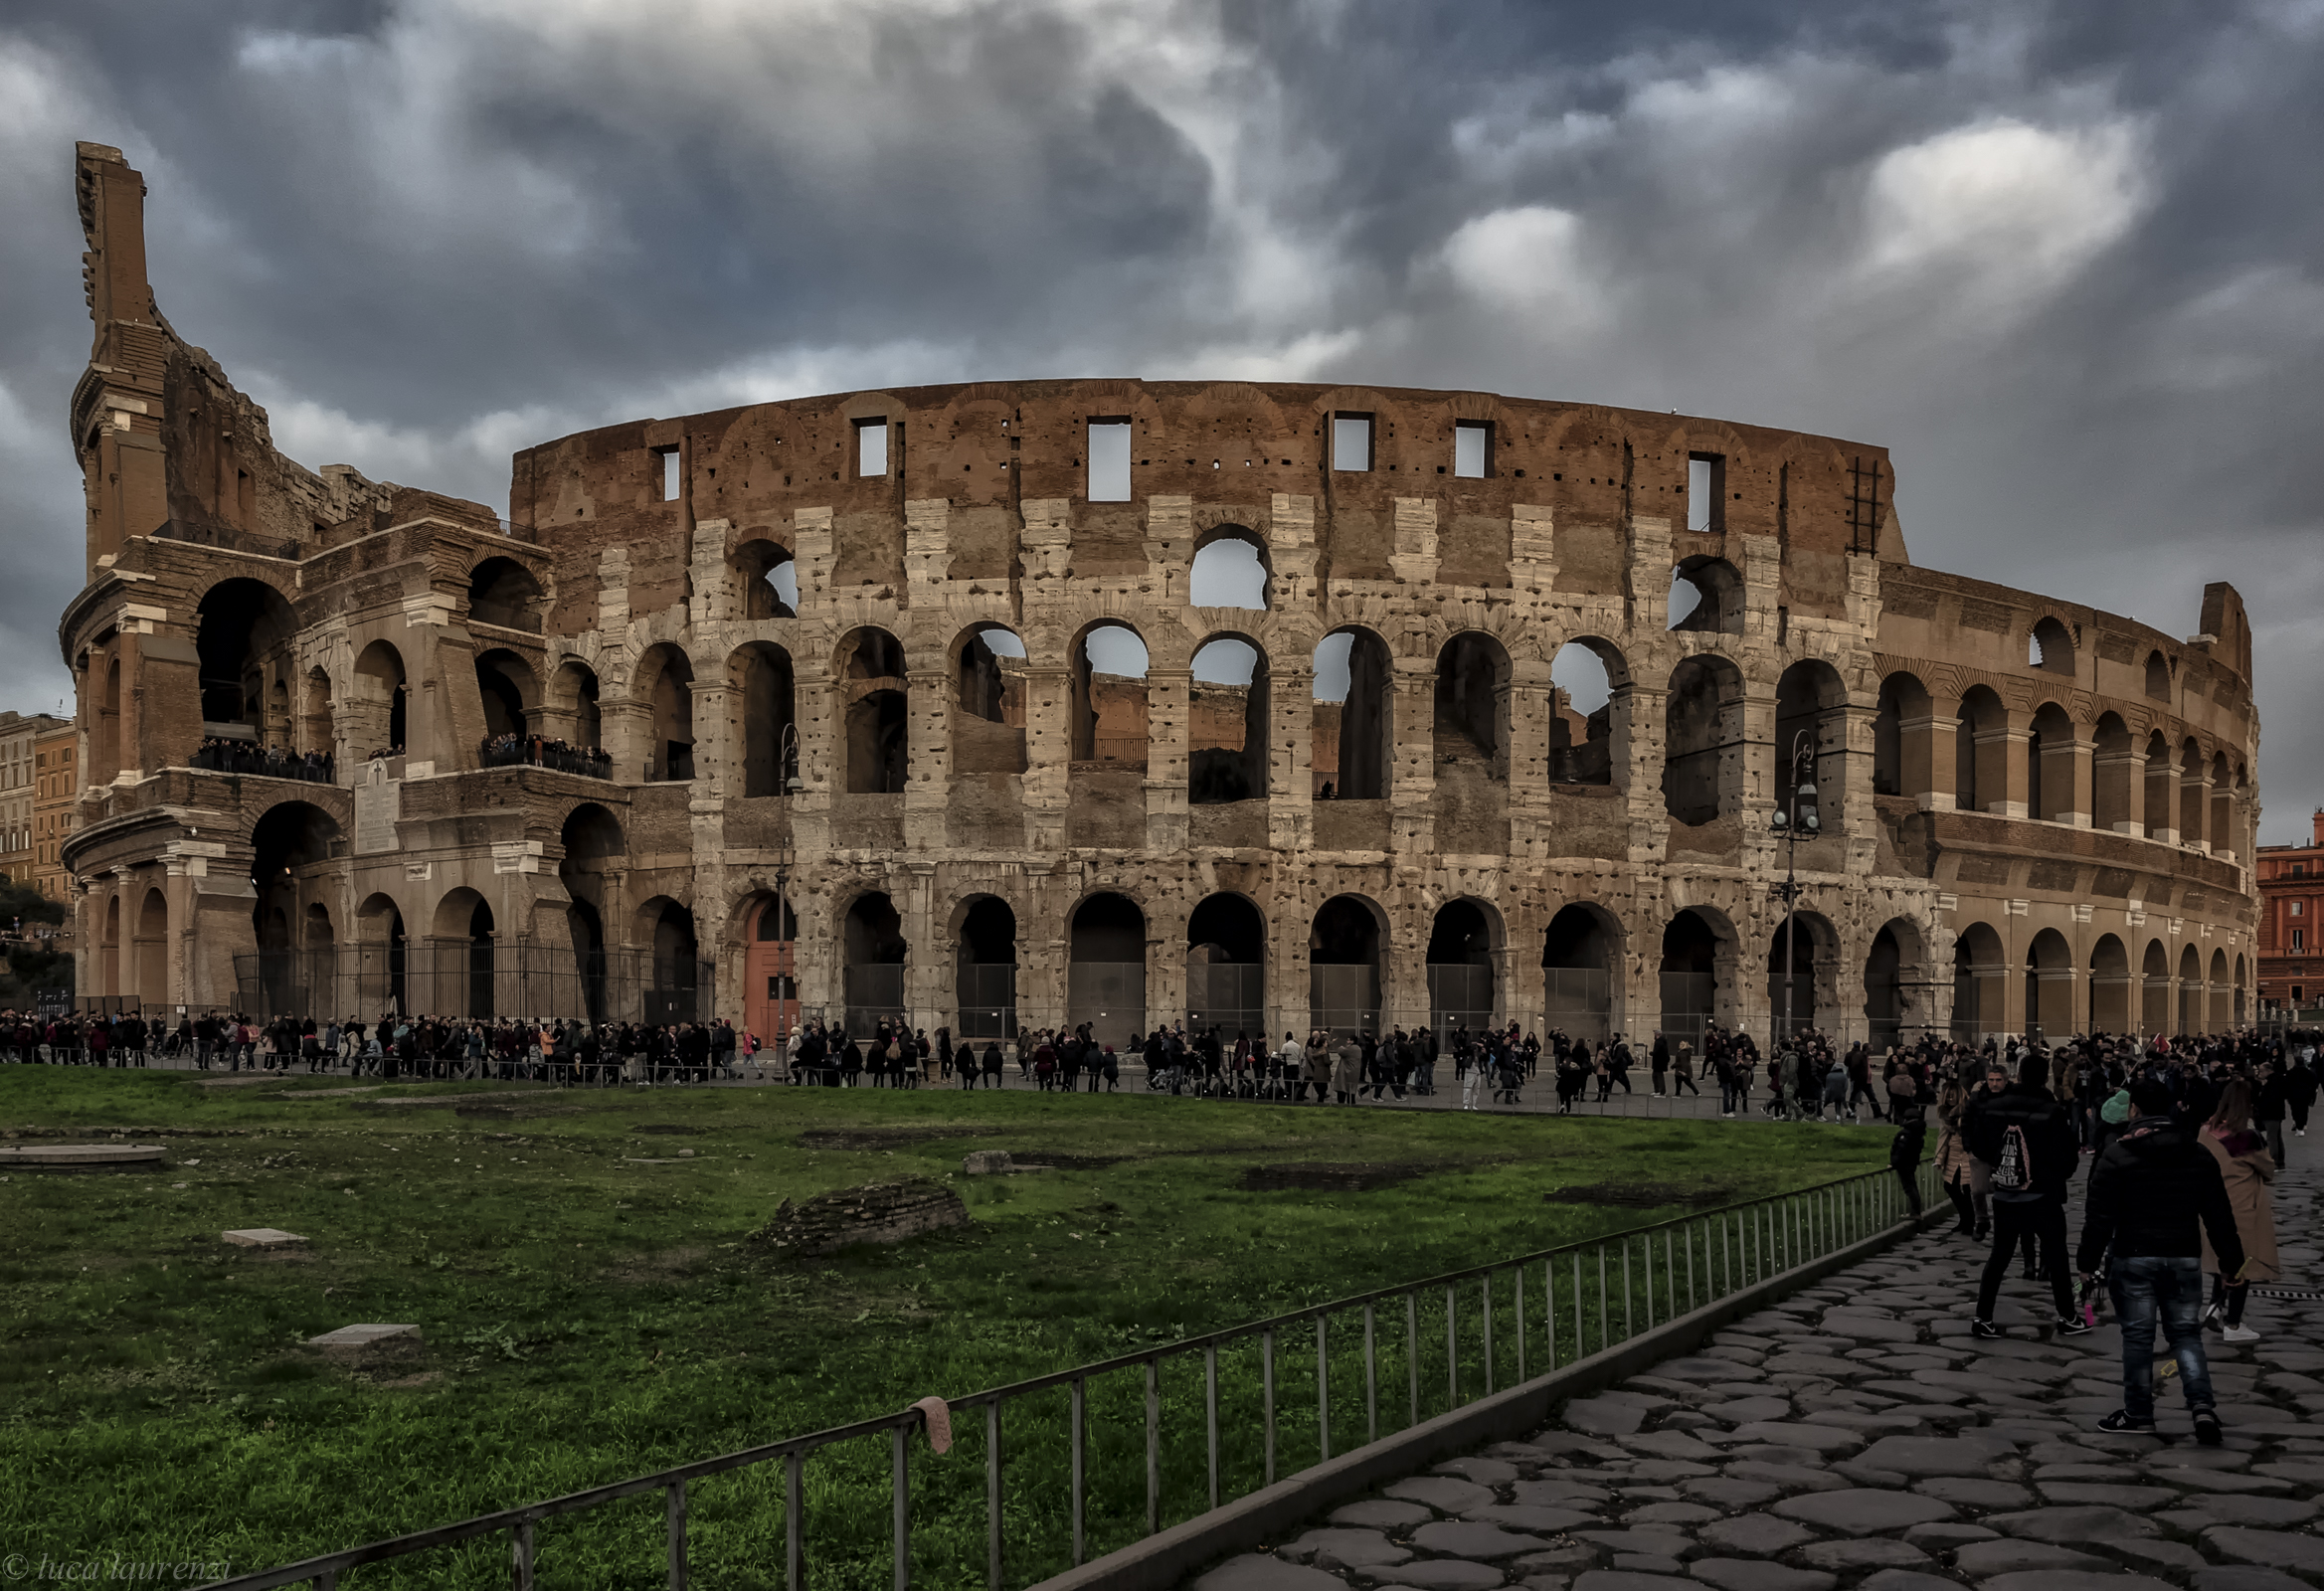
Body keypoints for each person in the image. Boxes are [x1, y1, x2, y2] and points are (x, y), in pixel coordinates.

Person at [2077, 1075, 2244, 1442]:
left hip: (2134, 1256)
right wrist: (2232, 1262)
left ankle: (2138, 1413)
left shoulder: (2117, 1154)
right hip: (2183, 1256)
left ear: (2133, 1109)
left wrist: (2086, 1263)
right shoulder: (2197, 1153)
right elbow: (2219, 1214)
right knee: (2186, 1336)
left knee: (2138, 1339)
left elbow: (2099, 1217)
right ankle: (2202, 1407)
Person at [1964, 1050, 2083, 1338]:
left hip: (2006, 1193)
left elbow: (1977, 1144)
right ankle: (2069, 1317)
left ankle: (1982, 1318)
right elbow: (2067, 1157)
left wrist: (2001, 1163)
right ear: (2045, 1078)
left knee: (1998, 1258)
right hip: (2043, 1194)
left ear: (2017, 1076)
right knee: (2056, 1258)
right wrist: (2049, 1174)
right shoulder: (2052, 1112)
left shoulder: (1994, 1108)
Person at [2199, 1079, 2278, 1344]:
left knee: (2221, 1260)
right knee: (2241, 1266)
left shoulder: (2205, 1131)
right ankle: (2233, 1323)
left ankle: (2214, 1307)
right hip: (2241, 1206)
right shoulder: (2246, 1137)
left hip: (2210, 1204)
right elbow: (2268, 1169)